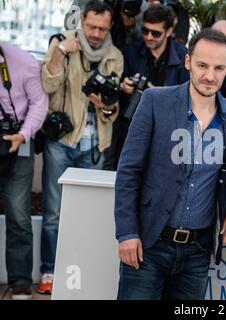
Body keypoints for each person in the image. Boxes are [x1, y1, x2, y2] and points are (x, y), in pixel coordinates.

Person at [114, 28, 226, 300]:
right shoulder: (154, 101)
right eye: (202, 65)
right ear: (188, 62)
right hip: (149, 243)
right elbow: (129, 171)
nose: (209, 76)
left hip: (197, 252)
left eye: (218, 68)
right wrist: (127, 233)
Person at [40, 0, 124, 294]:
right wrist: (63, 52)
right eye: (91, 26)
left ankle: (80, 274)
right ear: (82, 21)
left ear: (110, 26)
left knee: (89, 215)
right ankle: (50, 271)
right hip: (63, 141)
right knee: (54, 212)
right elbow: (49, 85)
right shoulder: (62, 42)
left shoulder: (114, 56)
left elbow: (112, 109)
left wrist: (105, 105)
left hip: (96, 143)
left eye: (102, 28)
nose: (97, 33)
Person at [112, 3, 189, 170]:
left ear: (168, 32)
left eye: (155, 33)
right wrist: (124, 86)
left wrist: (162, 95)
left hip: (167, 132)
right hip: (132, 128)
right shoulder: (132, 50)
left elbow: (190, 98)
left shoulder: (183, 56)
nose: (149, 37)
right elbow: (116, 87)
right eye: (145, 31)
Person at [0, 44, 48, 300]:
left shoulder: (23, 61)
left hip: (19, 141)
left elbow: (39, 102)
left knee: (19, 214)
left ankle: (20, 280)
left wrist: (23, 134)